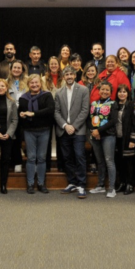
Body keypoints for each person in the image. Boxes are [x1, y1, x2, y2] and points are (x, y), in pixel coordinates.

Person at [55, 67, 90, 199]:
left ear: (75, 76)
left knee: (80, 156)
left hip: (78, 130)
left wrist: (73, 126)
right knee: (67, 157)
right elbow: (56, 112)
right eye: (66, 74)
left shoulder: (83, 90)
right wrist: (65, 125)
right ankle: (72, 182)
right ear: (63, 77)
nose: (69, 76)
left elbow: (85, 110)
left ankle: (81, 184)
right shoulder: (58, 92)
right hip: (64, 130)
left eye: (71, 74)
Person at [18, 74, 55, 194]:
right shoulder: (23, 98)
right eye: (32, 83)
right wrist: (21, 114)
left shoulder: (47, 95)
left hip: (44, 130)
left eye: (36, 82)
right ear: (28, 84)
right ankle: (30, 184)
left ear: (40, 83)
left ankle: (41, 183)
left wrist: (33, 114)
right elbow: (20, 112)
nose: (34, 85)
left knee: (42, 158)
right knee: (31, 158)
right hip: (29, 131)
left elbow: (50, 110)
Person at [87, 81, 118, 197]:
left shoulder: (113, 103)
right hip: (95, 135)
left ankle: (111, 188)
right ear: (99, 90)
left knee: (109, 161)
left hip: (108, 135)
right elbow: (89, 119)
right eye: (102, 89)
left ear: (110, 92)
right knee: (100, 162)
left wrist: (99, 131)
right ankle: (100, 185)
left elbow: (113, 121)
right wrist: (93, 131)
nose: (104, 92)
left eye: (107, 90)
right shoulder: (94, 103)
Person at [42, 56, 64, 171]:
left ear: (59, 65)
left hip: (61, 113)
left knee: (61, 139)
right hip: (47, 114)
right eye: (52, 64)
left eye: (56, 64)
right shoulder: (43, 79)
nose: (54, 66)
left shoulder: (64, 79)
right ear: (48, 66)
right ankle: (46, 167)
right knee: (47, 139)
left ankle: (61, 166)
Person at [8, 61, 29, 173]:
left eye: (19, 68)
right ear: (11, 69)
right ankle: (17, 162)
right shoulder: (6, 82)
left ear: (22, 69)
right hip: (11, 115)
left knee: (27, 140)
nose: (16, 69)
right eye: (14, 67)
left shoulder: (27, 82)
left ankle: (30, 164)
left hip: (25, 115)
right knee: (14, 140)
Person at [113, 84, 134, 193]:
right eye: (120, 92)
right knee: (119, 162)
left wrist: (133, 140)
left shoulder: (131, 105)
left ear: (128, 94)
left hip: (127, 139)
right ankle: (121, 183)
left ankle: (129, 184)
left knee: (128, 162)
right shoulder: (114, 105)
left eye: (124, 92)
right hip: (116, 138)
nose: (122, 94)